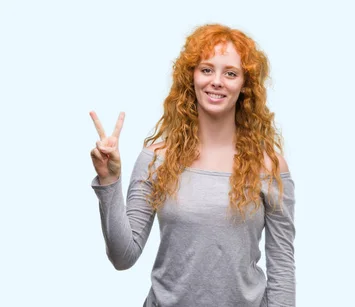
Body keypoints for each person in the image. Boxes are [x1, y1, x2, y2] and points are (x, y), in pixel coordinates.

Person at [89, 24, 296, 307]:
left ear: (245, 85)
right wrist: (109, 181)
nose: (217, 81)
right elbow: (123, 257)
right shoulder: (156, 159)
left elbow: (282, 267)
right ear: (192, 77)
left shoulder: (268, 166)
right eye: (207, 69)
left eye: (231, 73)